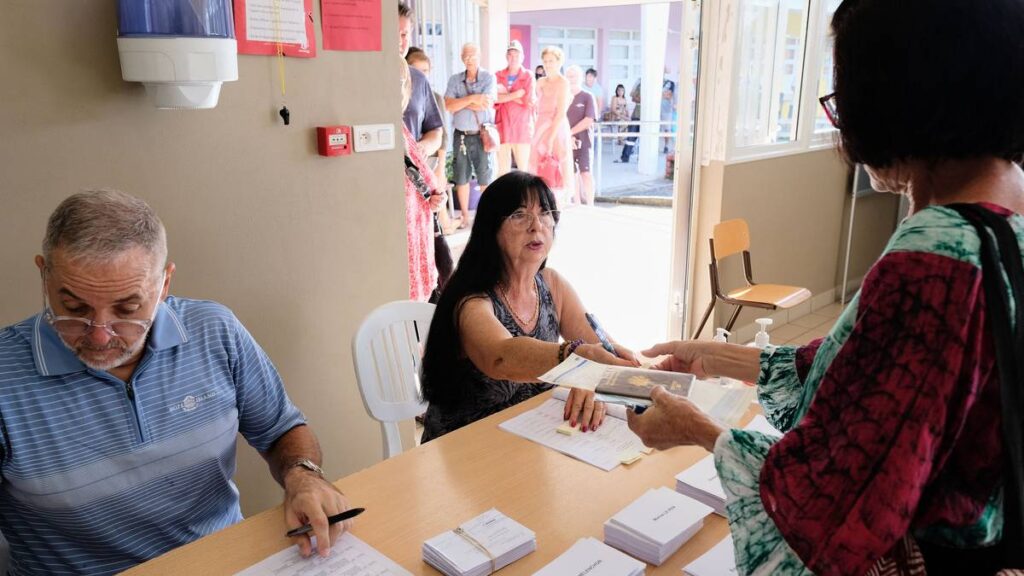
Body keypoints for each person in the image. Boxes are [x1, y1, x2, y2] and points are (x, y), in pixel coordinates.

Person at [627, 1, 1024, 574]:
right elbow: (868, 367)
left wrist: (694, 428)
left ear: (896, 92)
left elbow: (831, 501)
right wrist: (708, 354)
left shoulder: (934, 258)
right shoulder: (1003, 211)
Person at [0, 190, 352, 574]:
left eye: (127, 309)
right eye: (74, 308)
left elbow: (281, 428)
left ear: (164, 284)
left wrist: (303, 475)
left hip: (224, 563)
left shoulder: (215, 330)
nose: (99, 335)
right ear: (44, 274)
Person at [419, 171, 639, 442]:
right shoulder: (471, 299)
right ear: (491, 229)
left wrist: (594, 376)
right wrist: (578, 361)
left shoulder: (551, 284)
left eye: (545, 213)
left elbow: (602, 350)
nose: (537, 226)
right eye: (519, 215)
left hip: (531, 436)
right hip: (465, 446)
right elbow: (501, 357)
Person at [401, 56, 448, 301]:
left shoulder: (420, 81)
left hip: (414, 205)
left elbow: (436, 133)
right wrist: (435, 192)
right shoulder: (397, 133)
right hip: (408, 217)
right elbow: (433, 190)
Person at [406, 48, 457, 241]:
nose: (422, 75)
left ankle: (442, 228)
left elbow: (439, 134)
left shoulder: (433, 96)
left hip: (428, 158)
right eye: (417, 70)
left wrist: (440, 165)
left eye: (425, 71)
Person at [445, 43, 497, 228]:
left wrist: (460, 103)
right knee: (461, 177)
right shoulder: (454, 80)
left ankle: (487, 218)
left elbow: (486, 104)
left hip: (482, 134)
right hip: (461, 135)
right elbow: (449, 106)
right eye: (466, 56)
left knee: (485, 177)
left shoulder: (488, 77)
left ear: (479, 56)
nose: (469, 59)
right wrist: (472, 99)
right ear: (461, 57)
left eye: (473, 56)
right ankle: (465, 217)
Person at [529, 46, 574, 205]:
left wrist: (550, 137)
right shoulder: (540, 82)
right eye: (546, 61)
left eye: (552, 61)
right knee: (538, 164)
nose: (548, 64)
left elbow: (561, 112)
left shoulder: (563, 83)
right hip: (540, 125)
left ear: (559, 62)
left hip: (557, 127)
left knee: (556, 165)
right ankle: (540, 202)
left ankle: (557, 206)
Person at [399, 2, 442, 158]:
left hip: (410, 171)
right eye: (393, 33)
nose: (399, 41)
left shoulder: (418, 79)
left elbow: (435, 130)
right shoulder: (367, 77)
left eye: (404, 35)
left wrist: (424, 147)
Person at [494, 40, 536, 178]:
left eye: (516, 55)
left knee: (524, 171)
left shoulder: (528, 75)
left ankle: (525, 199)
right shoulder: (498, 75)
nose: (513, 58)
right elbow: (494, 99)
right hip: (503, 127)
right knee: (502, 170)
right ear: (506, 57)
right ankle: (504, 199)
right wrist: (516, 94)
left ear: (522, 56)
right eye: (510, 54)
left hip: (522, 128)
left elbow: (528, 101)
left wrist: (505, 94)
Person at [565, 65, 597, 205]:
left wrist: (570, 132)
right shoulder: (564, 98)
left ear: (581, 78)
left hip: (584, 142)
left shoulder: (587, 97)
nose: (572, 79)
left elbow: (589, 119)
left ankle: (590, 204)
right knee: (571, 174)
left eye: (575, 76)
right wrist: (567, 136)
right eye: (569, 76)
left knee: (585, 173)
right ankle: (577, 203)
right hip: (567, 142)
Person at [616, 78, 641, 163]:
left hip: (647, 116)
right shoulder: (639, 85)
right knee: (630, 137)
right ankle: (625, 157)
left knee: (645, 139)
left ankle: (640, 158)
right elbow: (633, 97)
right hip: (636, 115)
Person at [660, 79, 676, 154]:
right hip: (660, 110)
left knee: (667, 129)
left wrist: (663, 94)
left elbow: (668, 95)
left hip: (667, 112)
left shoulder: (672, 87)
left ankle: (666, 146)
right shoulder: (662, 86)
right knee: (661, 129)